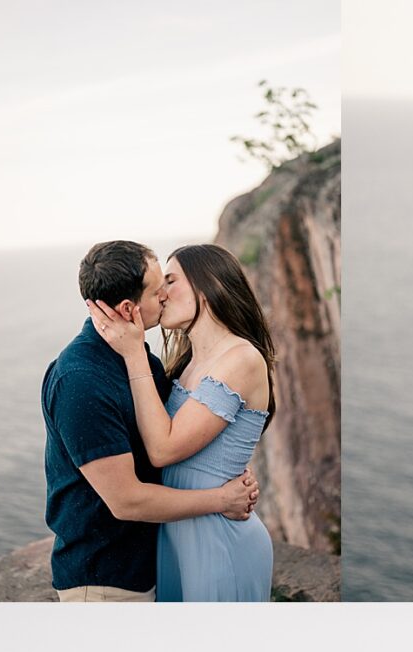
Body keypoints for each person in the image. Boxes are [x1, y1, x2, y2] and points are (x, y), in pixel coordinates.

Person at [40, 241, 259, 602]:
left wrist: (228, 466)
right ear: (129, 308)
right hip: (104, 582)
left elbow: (185, 432)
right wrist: (221, 498)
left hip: (149, 564)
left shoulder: (140, 360)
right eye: (159, 291)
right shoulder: (81, 380)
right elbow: (127, 501)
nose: (165, 297)